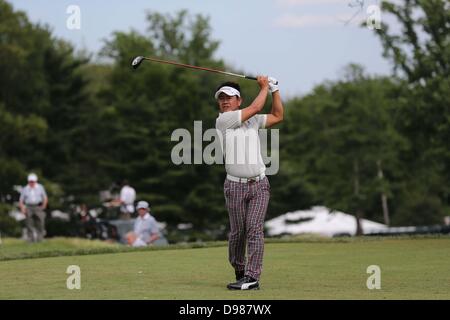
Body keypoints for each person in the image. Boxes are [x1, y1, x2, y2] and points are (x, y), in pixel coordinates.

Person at [215, 76, 284, 290]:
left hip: (259, 184)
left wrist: (275, 90)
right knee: (238, 232)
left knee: (254, 229)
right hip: (234, 186)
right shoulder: (223, 121)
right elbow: (255, 106)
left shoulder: (252, 121)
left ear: (239, 100)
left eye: (230, 97)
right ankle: (240, 270)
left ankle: (252, 278)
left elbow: (278, 116)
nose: (225, 101)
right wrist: (264, 86)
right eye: (221, 98)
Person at [19, 173, 48, 242]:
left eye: (33, 181)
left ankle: (40, 238)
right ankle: (30, 239)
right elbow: (21, 200)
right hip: (28, 207)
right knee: (29, 223)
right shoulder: (25, 188)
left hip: (38, 206)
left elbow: (45, 197)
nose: (31, 183)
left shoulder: (40, 187)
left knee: (41, 222)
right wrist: (22, 209)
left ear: (36, 181)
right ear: (28, 181)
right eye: (30, 181)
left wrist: (44, 206)